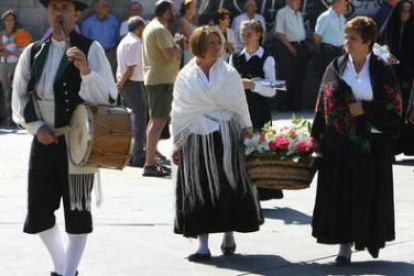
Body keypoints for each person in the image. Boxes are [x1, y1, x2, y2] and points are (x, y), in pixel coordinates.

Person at [11, 0, 118, 275]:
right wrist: (36, 127)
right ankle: (62, 267)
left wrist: (86, 72)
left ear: (76, 13)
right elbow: (20, 96)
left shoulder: (91, 48)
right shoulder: (33, 51)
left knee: (77, 213)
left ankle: (68, 273)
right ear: (48, 13)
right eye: (54, 7)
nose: (59, 13)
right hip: (43, 139)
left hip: (78, 143)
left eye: (66, 8)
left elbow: (109, 96)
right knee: (39, 213)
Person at [311, 16, 402, 266]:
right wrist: (316, 135)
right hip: (340, 142)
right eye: (346, 37)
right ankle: (344, 246)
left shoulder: (383, 70)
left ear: (368, 42)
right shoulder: (336, 65)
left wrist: (367, 110)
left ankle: (367, 237)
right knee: (342, 194)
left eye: (353, 38)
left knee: (366, 195)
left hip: (371, 144)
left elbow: (395, 108)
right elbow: (323, 101)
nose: (347, 42)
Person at [172, 25, 263, 261]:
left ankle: (229, 233)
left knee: (227, 187)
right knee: (199, 189)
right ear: (198, 46)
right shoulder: (185, 75)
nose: (217, 47)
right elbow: (179, 111)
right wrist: (177, 143)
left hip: (225, 138)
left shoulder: (229, 74)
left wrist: (249, 136)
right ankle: (202, 245)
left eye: (218, 42)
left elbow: (240, 108)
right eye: (211, 43)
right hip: (195, 139)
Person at [229, 19, 282, 200]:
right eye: (242, 34)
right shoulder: (235, 57)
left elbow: (274, 89)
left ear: (259, 34)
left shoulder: (267, 57)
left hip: (259, 110)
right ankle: (241, 189)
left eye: (248, 34)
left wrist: (253, 85)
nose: (244, 38)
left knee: (258, 151)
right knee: (239, 150)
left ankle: (260, 191)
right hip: (239, 110)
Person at [141, 0, 181, 177]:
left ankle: (151, 160)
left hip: (156, 80)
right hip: (162, 82)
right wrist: (179, 45)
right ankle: (149, 164)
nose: (175, 12)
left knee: (154, 121)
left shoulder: (152, 26)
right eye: (172, 10)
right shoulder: (159, 29)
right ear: (165, 12)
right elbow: (170, 56)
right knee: (158, 122)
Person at [116, 16, 147, 167]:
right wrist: (122, 84)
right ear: (139, 28)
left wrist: (120, 84)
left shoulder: (124, 41)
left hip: (126, 84)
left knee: (129, 121)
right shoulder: (135, 43)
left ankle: (128, 154)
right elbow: (130, 68)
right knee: (139, 120)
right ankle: (137, 156)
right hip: (132, 84)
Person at [275, 0, 308, 111]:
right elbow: (279, 33)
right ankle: (283, 105)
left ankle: (296, 105)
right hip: (287, 47)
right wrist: (290, 47)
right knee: (286, 76)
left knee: (299, 76)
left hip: (300, 46)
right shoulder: (282, 13)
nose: (298, 2)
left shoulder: (298, 14)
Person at [0, 10, 32, 126]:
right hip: (3, 66)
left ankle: (18, 119)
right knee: (6, 91)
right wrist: (11, 52)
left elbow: (24, 51)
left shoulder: (21, 34)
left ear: (14, 21)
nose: (9, 22)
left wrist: (7, 52)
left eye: (11, 20)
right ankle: (8, 118)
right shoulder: (1, 35)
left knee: (17, 91)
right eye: (7, 20)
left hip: (16, 65)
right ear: (4, 22)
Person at [81, 0, 120, 76]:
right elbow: (84, 41)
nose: (107, 9)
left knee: (110, 76)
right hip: (95, 54)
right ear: (97, 8)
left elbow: (117, 36)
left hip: (110, 54)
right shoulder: (88, 23)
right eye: (104, 7)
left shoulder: (113, 20)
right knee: (95, 76)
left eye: (107, 6)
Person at [314, 0, 347, 80]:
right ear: (338, 3)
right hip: (328, 53)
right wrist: (322, 49)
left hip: (339, 52)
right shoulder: (325, 17)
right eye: (344, 4)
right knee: (327, 79)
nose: (346, 6)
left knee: (336, 79)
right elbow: (316, 37)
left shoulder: (341, 18)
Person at [176, 0, 198, 66]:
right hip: (186, 54)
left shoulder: (194, 22)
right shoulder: (182, 21)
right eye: (193, 7)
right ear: (187, 10)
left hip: (194, 53)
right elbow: (192, 37)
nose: (196, 9)